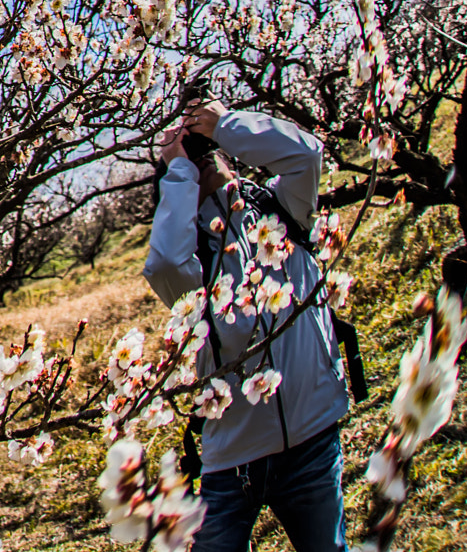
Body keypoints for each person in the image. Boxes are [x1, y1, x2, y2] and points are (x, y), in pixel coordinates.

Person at [143, 99, 351, 552]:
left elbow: (307, 155)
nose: (202, 161)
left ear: (229, 153)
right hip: (233, 459)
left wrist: (227, 125)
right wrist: (179, 171)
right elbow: (163, 264)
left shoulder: (283, 210)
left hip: (313, 436)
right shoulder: (192, 251)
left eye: (207, 151)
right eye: (189, 159)